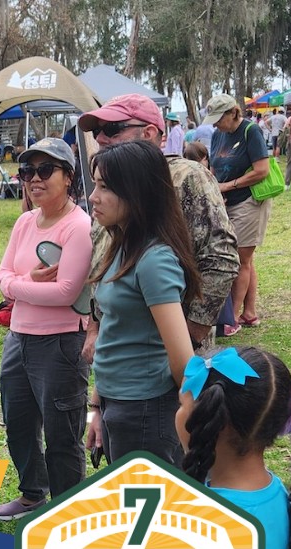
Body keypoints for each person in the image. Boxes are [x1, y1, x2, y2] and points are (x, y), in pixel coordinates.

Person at [77, 94, 238, 357]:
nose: (100, 138)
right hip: (120, 352)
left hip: (172, 353)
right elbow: (101, 262)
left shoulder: (186, 177)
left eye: (112, 129)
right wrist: (95, 330)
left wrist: (188, 337)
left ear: (149, 133)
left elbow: (220, 257)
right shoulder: (105, 186)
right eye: (96, 131)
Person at [0, 138, 92, 520]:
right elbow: (2, 276)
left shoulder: (78, 226)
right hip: (18, 339)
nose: (35, 179)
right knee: (18, 424)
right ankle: (33, 494)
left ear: (68, 177)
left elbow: (66, 292)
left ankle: (68, 514)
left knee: (62, 434)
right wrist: (27, 283)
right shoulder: (23, 222)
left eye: (45, 170)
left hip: (61, 343)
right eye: (28, 172)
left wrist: (18, 286)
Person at [86, 140, 201, 465]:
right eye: (96, 185)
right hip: (117, 403)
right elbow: (113, 332)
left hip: (146, 411)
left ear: (137, 192)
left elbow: (181, 357)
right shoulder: (121, 245)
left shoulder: (154, 260)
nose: (93, 197)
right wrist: (98, 408)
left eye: (105, 187)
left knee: (145, 513)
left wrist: (195, 421)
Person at [177, 346, 291, 549]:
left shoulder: (201, 522)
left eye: (182, 404)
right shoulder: (278, 495)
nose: (178, 412)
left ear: (211, 423)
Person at [203, 94, 272, 334]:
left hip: (248, 202)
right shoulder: (217, 135)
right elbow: (213, 169)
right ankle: (249, 313)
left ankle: (230, 318)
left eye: (219, 118)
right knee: (245, 259)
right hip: (225, 202)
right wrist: (214, 190)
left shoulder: (250, 131)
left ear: (233, 112)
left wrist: (229, 186)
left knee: (239, 260)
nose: (215, 124)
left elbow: (261, 170)